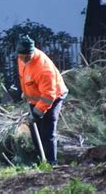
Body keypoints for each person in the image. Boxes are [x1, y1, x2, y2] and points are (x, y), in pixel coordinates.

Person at [16, 35, 68, 165]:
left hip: (54, 96)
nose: (23, 60)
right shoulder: (22, 58)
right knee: (35, 130)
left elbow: (48, 95)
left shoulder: (44, 69)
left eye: (26, 57)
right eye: (21, 57)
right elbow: (25, 77)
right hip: (37, 97)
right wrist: (26, 93)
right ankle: (41, 161)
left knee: (47, 130)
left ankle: (51, 162)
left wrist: (37, 113)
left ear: (32, 53)